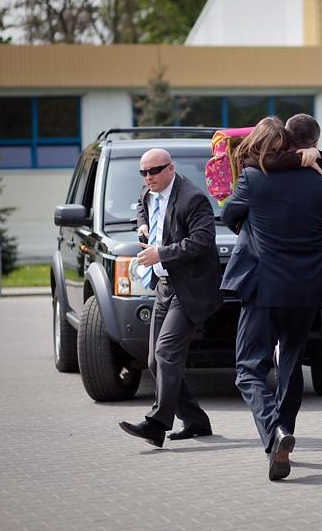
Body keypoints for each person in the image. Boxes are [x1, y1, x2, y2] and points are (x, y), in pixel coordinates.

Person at [220, 115, 322, 480]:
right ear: (315, 142)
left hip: (264, 286)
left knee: (249, 368)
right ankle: (284, 431)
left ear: (286, 141)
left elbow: (229, 216)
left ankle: (275, 432)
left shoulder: (255, 178)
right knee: (290, 363)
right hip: (308, 287)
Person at [119, 148, 223, 447]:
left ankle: (157, 424)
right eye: (144, 172)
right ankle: (196, 421)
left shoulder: (193, 198)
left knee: (166, 353)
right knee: (155, 361)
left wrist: (160, 252)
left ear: (170, 168)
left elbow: (203, 241)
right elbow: (143, 206)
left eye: (154, 171)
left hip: (190, 288)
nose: (148, 177)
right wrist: (142, 224)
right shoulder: (149, 192)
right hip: (164, 285)